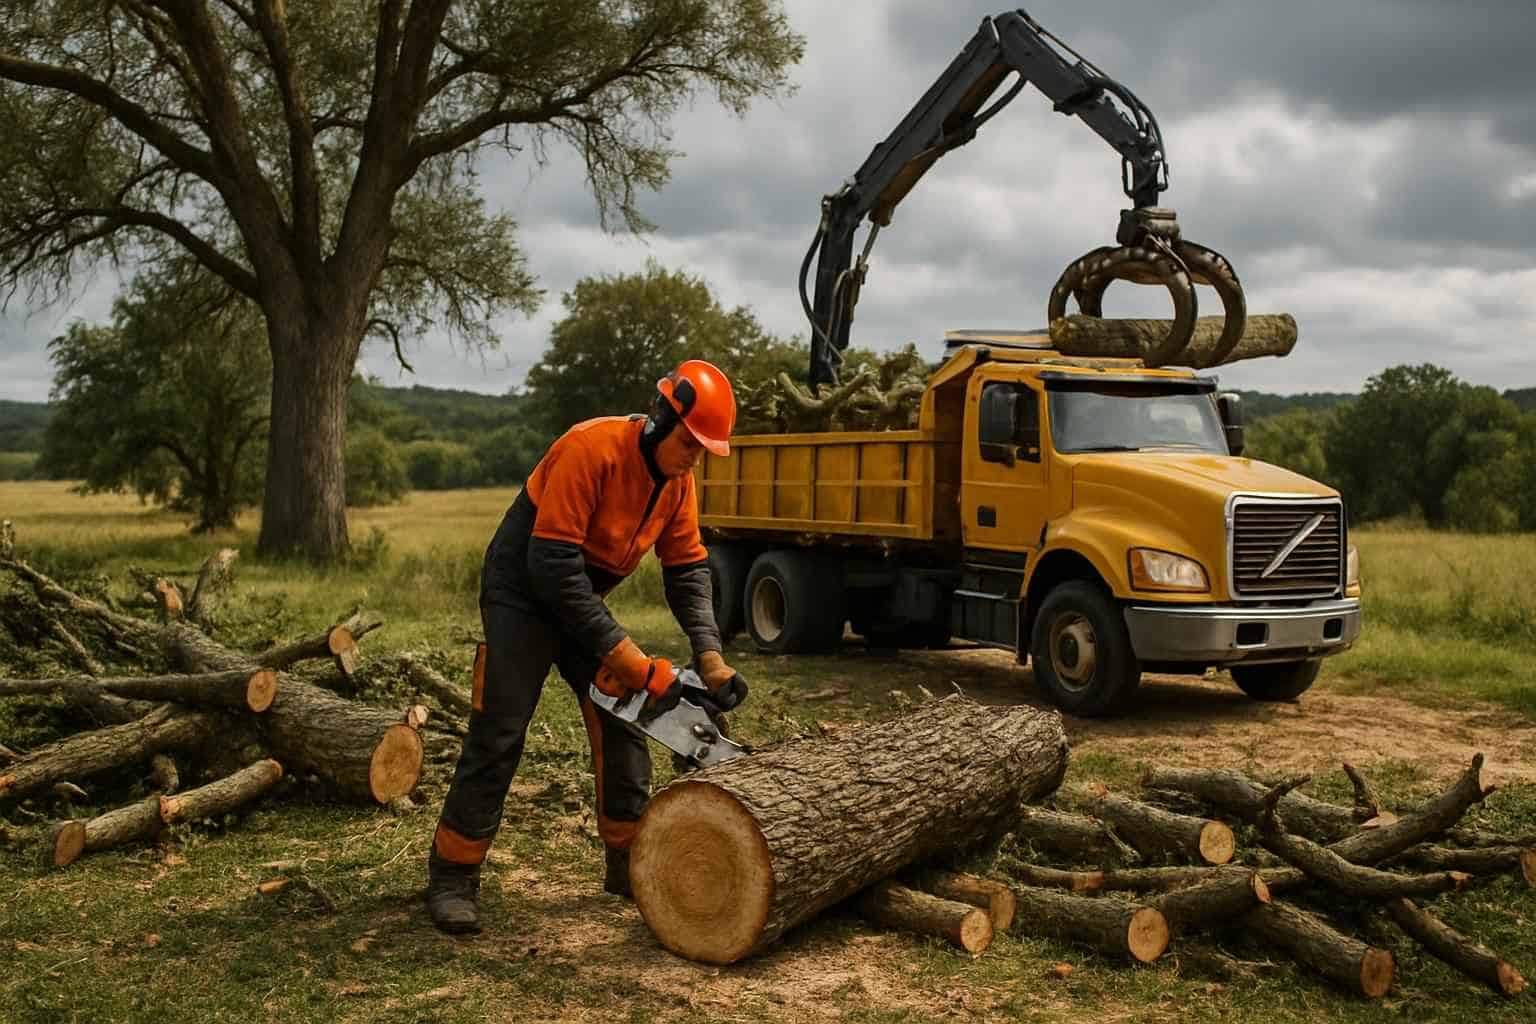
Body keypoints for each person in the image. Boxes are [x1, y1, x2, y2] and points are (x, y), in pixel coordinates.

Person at [424, 359, 750, 935]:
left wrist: (711, 656)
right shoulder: (590, 448)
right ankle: (454, 874)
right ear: (660, 419)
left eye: (705, 449)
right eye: (691, 443)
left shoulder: (676, 484)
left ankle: (626, 862)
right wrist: (627, 656)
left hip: (582, 595)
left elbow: (688, 572)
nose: (695, 457)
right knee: (501, 726)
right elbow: (550, 568)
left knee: (625, 716)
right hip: (523, 589)